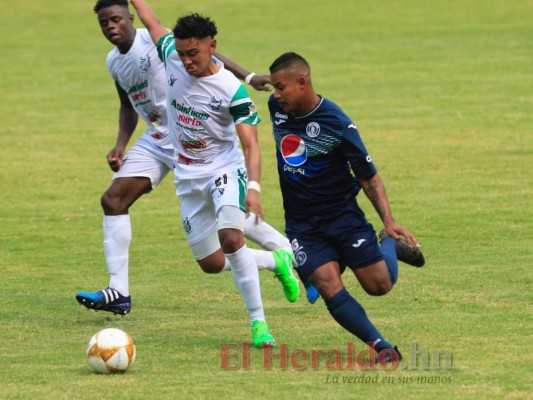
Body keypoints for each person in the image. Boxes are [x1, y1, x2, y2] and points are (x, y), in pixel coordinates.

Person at [75, 0, 299, 325]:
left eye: (116, 19)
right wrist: (120, 145)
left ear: (129, 18)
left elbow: (205, 53)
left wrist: (247, 76)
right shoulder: (120, 61)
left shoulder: (157, 45)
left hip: (206, 148)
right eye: (104, 22)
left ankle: (289, 255)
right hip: (163, 141)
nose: (111, 26)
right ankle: (118, 292)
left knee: (230, 226)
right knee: (114, 200)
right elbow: (128, 104)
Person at [268, 52, 425, 361]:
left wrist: (389, 221)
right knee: (327, 282)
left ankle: (388, 243)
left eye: (281, 87)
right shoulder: (277, 107)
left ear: (303, 82)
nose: (276, 94)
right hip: (303, 224)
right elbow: (259, 82)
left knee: (379, 285)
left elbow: (369, 178)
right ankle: (382, 347)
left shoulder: (337, 123)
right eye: (273, 87)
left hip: (343, 217)